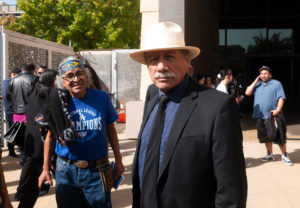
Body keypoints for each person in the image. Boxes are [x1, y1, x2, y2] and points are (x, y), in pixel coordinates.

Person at [129, 21, 247, 208]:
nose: (160, 66)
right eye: (153, 59)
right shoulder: (152, 96)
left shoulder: (218, 106)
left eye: (170, 57)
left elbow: (231, 190)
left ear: (187, 61)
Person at [38, 56, 125, 208]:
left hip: (97, 170)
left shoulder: (101, 97)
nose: (76, 79)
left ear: (87, 75)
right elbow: (50, 137)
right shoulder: (57, 102)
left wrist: (118, 160)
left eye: (79, 73)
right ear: (62, 82)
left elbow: (110, 129)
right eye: (70, 76)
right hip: (66, 171)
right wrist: (45, 168)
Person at [15, 69, 58, 207]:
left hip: (34, 144)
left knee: (32, 182)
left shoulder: (36, 93)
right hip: (43, 146)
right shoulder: (48, 95)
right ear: (51, 81)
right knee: (35, 183)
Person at [245, 65, 293, 165]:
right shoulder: (257, 85)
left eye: (265, 73)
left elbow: (281, 98)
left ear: (270, 75)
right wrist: (255, 81)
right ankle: (270, 154)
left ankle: (285, 155)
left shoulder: (276, 84)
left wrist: (278, 110)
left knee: (279, 136)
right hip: (261, 116)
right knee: (266, 137)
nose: (263, 75)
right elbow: (247, 93)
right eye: (261, 73)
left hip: (273, 116)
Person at [6, 63, 37, 165]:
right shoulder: (35, 79)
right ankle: (28, 158)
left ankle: (23, 156)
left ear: (22, 69)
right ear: (32, 70)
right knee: (32, 136)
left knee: (20, 135)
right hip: (31, 112)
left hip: (17, 113)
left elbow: (8, 96)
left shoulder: (13, 80)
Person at [2, 67, 21, 158]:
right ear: (13, 74)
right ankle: (11, 152)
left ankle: (16, 150)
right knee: (13, 132)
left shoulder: (7, 82)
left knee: (16, 131)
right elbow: (9, 97)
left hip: (12, 111)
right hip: (12, 111)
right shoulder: (8, 82)